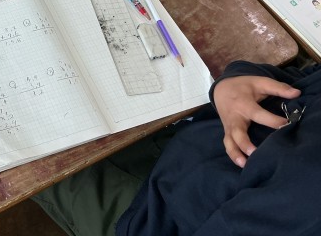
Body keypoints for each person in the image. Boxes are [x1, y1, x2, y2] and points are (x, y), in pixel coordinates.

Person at [33, 59, 321, 235]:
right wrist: (234, 81)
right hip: (190, 140)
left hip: (151, 216)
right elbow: (303, 79)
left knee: (37, 151)